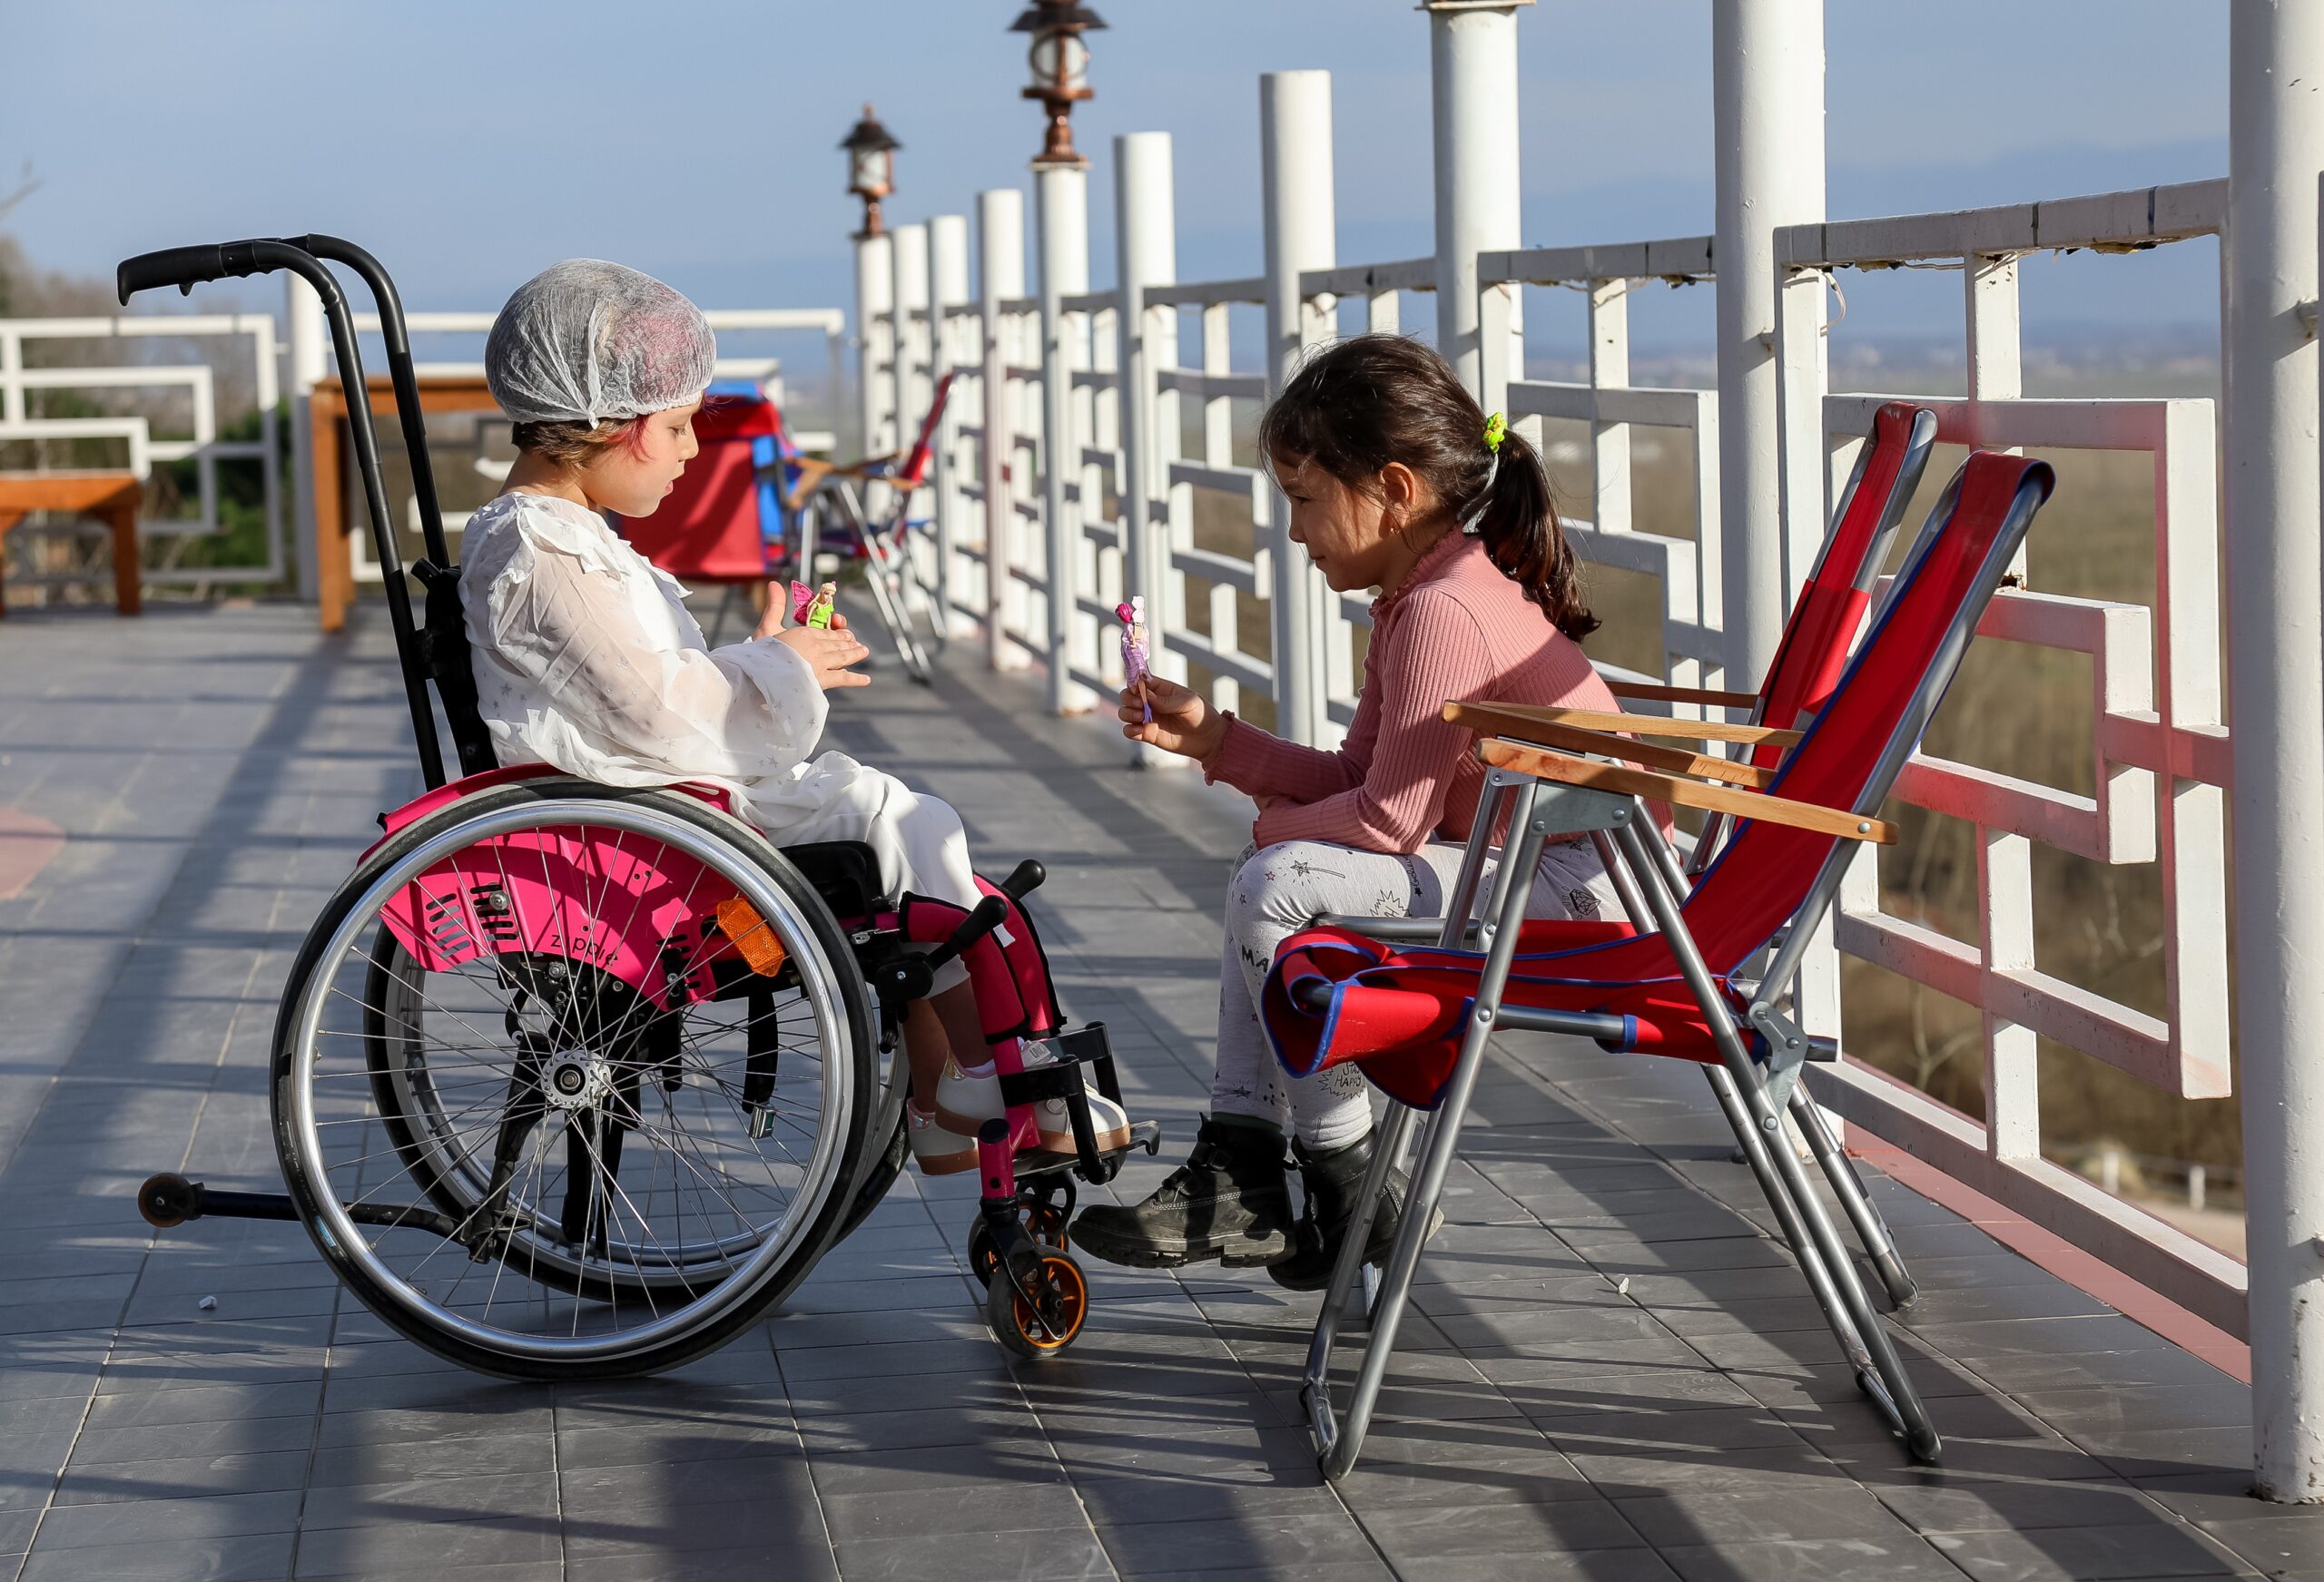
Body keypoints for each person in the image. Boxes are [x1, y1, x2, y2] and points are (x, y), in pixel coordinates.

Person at [459, 259, 1128, 1174]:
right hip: (646, 836)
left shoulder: (554, 542)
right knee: (903, 826)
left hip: (644, 806)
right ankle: (980, 1073)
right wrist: (779, 669)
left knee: (908, 846)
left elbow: (633, 692)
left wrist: (764, 662)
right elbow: (655, 713)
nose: (695, 448)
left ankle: (952, 1095)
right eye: (682, 425)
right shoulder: (544, 549)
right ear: (615, 426)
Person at [1072, 335, 1630, 1288]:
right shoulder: (1424, 594)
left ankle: (1339, 1181)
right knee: (1276, 879)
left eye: (1302, 499)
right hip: (1522, 864)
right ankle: (1270, 1171)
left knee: (1278, 880)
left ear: (1395, 490)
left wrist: (1266, 834)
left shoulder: (1442, 613)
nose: (1292, 533)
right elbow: (1360, 775)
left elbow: (1382, 827)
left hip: (1580, 894)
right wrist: (1215, 741)